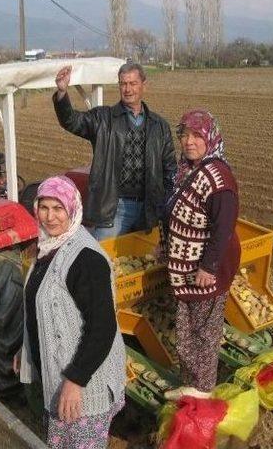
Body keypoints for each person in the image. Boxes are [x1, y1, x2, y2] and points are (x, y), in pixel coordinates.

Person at [13, 176, 126, 449]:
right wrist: (26, 345)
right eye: (44, 207)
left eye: (58, 209)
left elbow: (102, 328)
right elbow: (41, 305)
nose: (50, 217)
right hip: (62, 376)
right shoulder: (49, 246)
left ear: (72, 209)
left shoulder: (86, 259)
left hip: (86, 385)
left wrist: (76, 380)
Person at [159, 109, 241, 400]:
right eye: (185, 135)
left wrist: (209, 267)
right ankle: (193, 384)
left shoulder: (218, 178)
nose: (189, 142)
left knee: (203, 331)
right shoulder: (191, 169)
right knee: (190, 329)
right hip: (188, 267)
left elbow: (224, 228)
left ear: (210, 137)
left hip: (205, 271)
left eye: (197, 135)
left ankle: (202, 391)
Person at [53, 62, 177, 240]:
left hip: (148, 209)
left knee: (143, 262)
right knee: (104, 260)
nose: (127, 89)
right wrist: (62, 93)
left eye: (133, 83)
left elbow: (170, 170)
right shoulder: (103, 119)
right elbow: (71, 120)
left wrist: (168, 206)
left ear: (144, 85)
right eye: (123, 84)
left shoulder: (159, 126)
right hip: (113, 208)